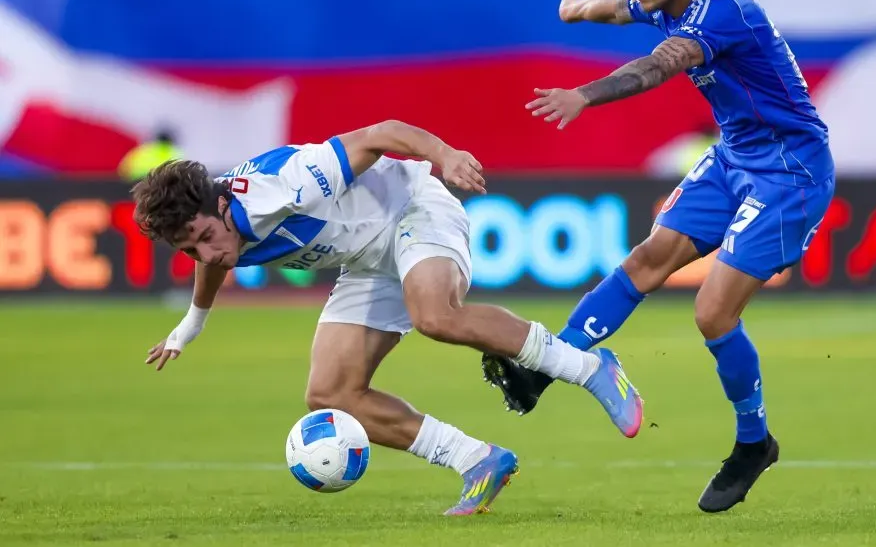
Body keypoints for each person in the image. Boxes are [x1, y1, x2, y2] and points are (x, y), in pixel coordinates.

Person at [480, 0, 835, 514]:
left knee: (712, 312)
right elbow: (619, 9)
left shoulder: (722, 14)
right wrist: (576, 10)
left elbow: (655, 67)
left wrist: (583, 95)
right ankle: (550, 366)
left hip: (789, 172)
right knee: (647, 259)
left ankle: (754, 442)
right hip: (733, 158)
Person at [132, 119, 644, 516]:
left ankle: (590, 368)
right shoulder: (216, 234)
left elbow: (381, 133)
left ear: (222, 204)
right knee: (330, 394)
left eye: (204, 236)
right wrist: (191, 324)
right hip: (367, 262)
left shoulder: (285, 185)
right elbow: (217, 261)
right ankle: (478, 460)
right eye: (189, 248)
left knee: (435, 316)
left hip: (414, 210)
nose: (207, 252)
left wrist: (445, 155)